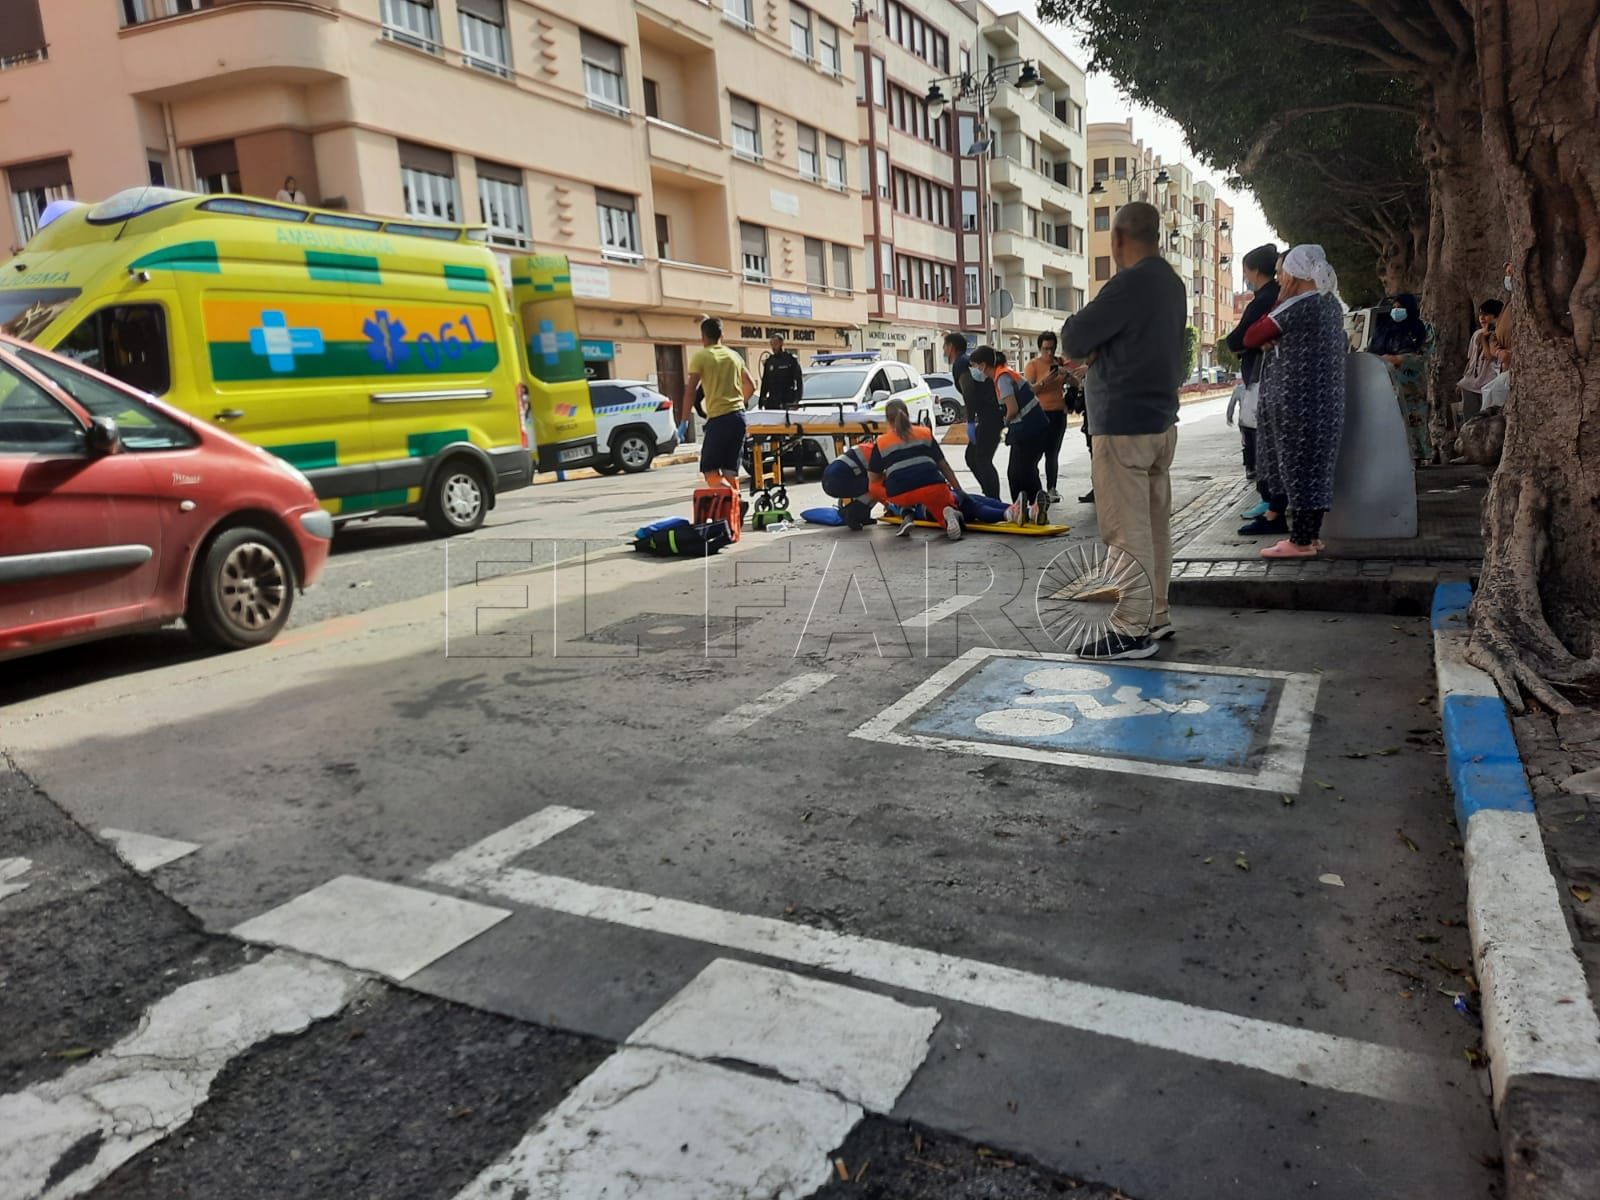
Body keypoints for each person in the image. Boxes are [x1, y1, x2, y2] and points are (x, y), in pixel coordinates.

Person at [1059, 201, 1187, 660]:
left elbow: (1074, 337)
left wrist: (1094, 352)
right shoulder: (1173, 284)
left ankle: (1131, 629)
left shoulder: (1129, 284)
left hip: (1121, 424)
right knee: (1154, 525)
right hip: (1159, 422)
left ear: (1117, 239)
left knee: (1125, 530)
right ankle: (1157, 613)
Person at [1242, 244, 1348, 558]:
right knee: (1315, 468)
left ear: (1296, 272)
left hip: (1296, 400)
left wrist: (1280, 303)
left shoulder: (1299, 304)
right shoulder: (1330, 304)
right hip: (1324, 398)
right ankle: (1310, 537)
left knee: (1297, 467)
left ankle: (1300, 542)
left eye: (1281, 271)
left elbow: (1251, 336)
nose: (1279, 277)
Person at [1224, 243, 1286, 532]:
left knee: (1260, 437)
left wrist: (1246, 343)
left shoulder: (1266, 298)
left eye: (1246, 270)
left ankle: (1272, 500)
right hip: (1262, 374)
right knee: (1261, 437)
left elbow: (1239, 338)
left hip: (1263, 375)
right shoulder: (1276, 296)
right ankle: (1272, 500)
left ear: (1254, 270)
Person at [970, 346, 1052, 525]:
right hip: (1034, 428)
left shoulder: (1002, 378)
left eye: (975, 366)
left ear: (983, 365)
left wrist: (1004, 423)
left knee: (1017, 473)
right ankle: (1035, 508)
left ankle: (1022, 510)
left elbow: (1012, 409)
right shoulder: (1005, 374)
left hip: (1029, 429)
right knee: (1025, 470)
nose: (975, 371)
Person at [868, 399, 965, 540]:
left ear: (887, 420)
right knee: (942, 516)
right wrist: (959, 491)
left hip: (902, 494)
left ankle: (905, 512)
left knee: (874, 487)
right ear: (907, 414)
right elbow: (944, 466)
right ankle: (949, 513)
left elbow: (873, 478)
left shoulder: (882, 442)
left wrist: (891, 475)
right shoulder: (925, 433)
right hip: (934, 488)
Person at [683, 317, 755, 495]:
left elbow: (691, 390)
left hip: (719, 418)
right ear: (722, 334)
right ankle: (734, 512)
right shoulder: (734, 356)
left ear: (703, 336)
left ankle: (734, 497)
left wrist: (684, 420)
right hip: (739, 417)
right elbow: (751, 385)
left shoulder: (701, 356)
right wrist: (739, 403)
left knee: (709, 470)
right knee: (730, 470)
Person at [1369, 291, 1433, 466]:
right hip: (1387, 381)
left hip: (1412, 384)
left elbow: (1425, 353)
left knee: (1415, 418)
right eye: (1394, 307)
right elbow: (1373, 350)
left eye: (1401, 307)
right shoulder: (1385, 329)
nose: (1396, 311)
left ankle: (1421, 455)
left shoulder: (1422, 329)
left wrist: (1401, 359)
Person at [947, 331, 1002, 499]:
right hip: (989, 414)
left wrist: (970, 421)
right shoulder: (966, 361)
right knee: (973, 457)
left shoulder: (960, 364)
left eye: (945, 346)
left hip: (990, 415)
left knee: (980, 459)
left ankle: (993, 498)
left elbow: (969, 391)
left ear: (951, 347)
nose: (944, 351)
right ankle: (990, 494)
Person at [1024, 331, 1071, 503]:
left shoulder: (1059, 363)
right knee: (1035, 454)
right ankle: (1035, 488)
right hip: (1039, 413)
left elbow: (1075, 383)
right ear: (1039, 348)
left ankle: (1052, 487)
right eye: (1045, 349)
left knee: (1053, 453)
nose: (1049, 353)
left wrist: (1067, 375)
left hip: (1058, 413)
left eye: (1052, 349)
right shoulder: (1033, 365)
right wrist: (1046, 380)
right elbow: (1029, 390)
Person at [820, 437, 887, 530]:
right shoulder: (875, 455)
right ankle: (852, 513)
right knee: (875, 486)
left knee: (868, 486)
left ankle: (863, 516)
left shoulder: (867, 448)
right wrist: (889, 505)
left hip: (828, 481)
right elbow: (878, 483)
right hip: (838, 481)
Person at [1456, 299, 1503, 421]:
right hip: (1471, 382)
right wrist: (1464, 378)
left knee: (1486, 419)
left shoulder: (1498, 334)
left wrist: (1484, 340)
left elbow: (1490, 356)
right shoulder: (1477, 334)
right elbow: (1471, 360)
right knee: (1470, 419)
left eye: (1486, 315)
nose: (1482, 318)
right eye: (1480, 314)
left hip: (1488, 383)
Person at [757, 334, 803, 408]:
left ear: (781, 343)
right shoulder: (769, 362)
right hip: (773, 401)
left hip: (788, 400)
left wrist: (797, 400)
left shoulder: (791, 360)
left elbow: (799, 381)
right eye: (771, 344)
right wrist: (761, 399)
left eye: (775, 344)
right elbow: (765, 382)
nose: (773, 347)